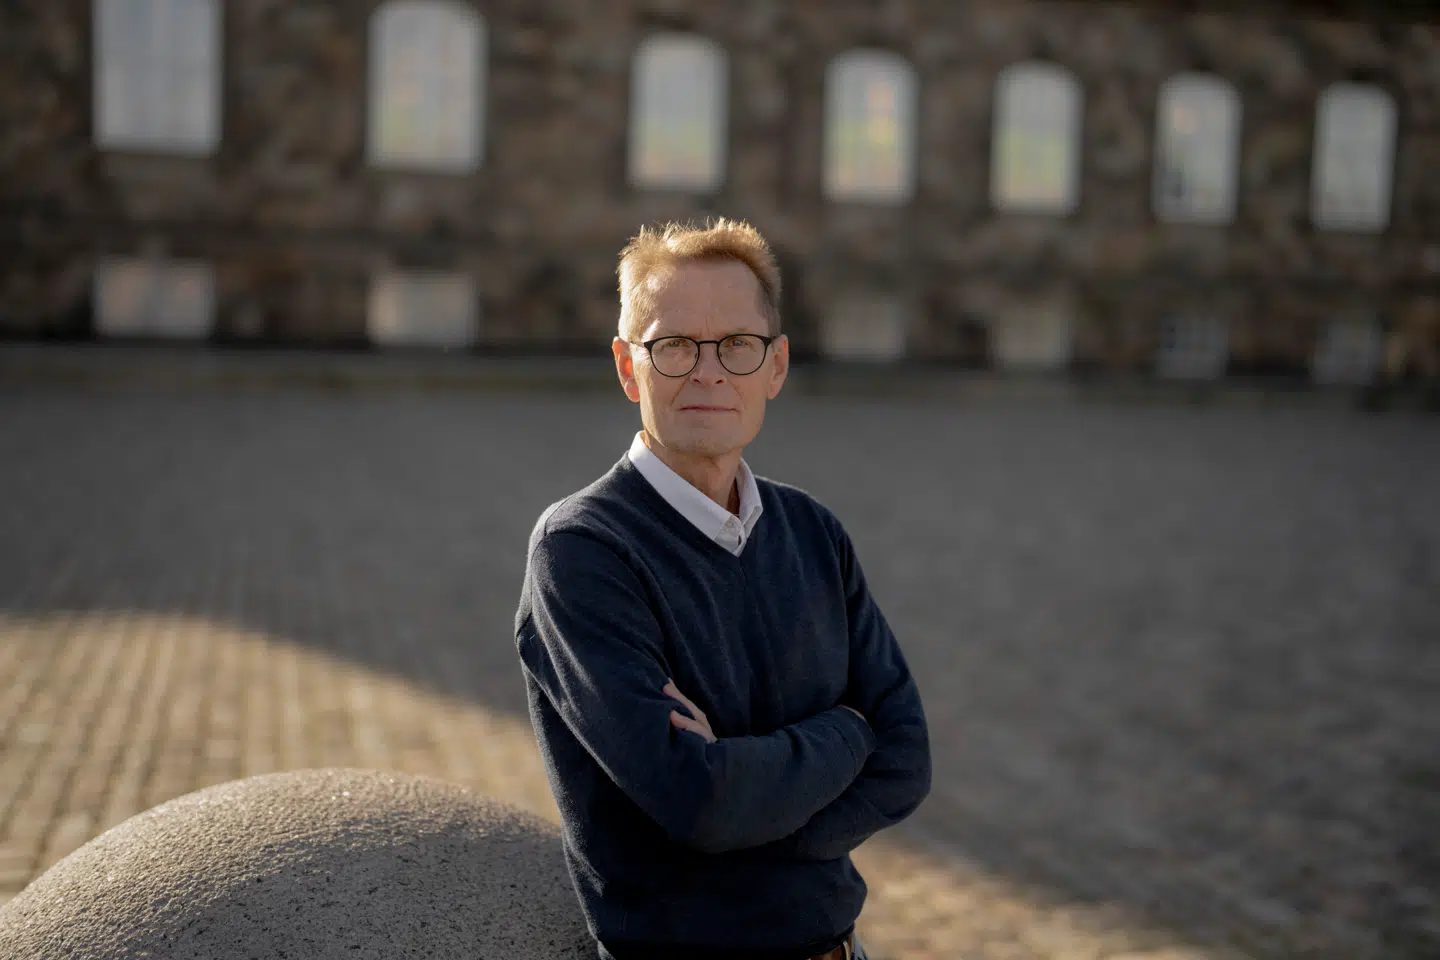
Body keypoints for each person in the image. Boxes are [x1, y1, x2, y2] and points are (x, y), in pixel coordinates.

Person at [514, 219, 931, 960]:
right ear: (628, 367)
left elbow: (905, 758)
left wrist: (754, 808)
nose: (709, 372)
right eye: (675, 345)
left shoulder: (813, 531)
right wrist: (847, 731)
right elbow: (699, 802)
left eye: (737, 344)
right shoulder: (582, 550)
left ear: (775, 366)